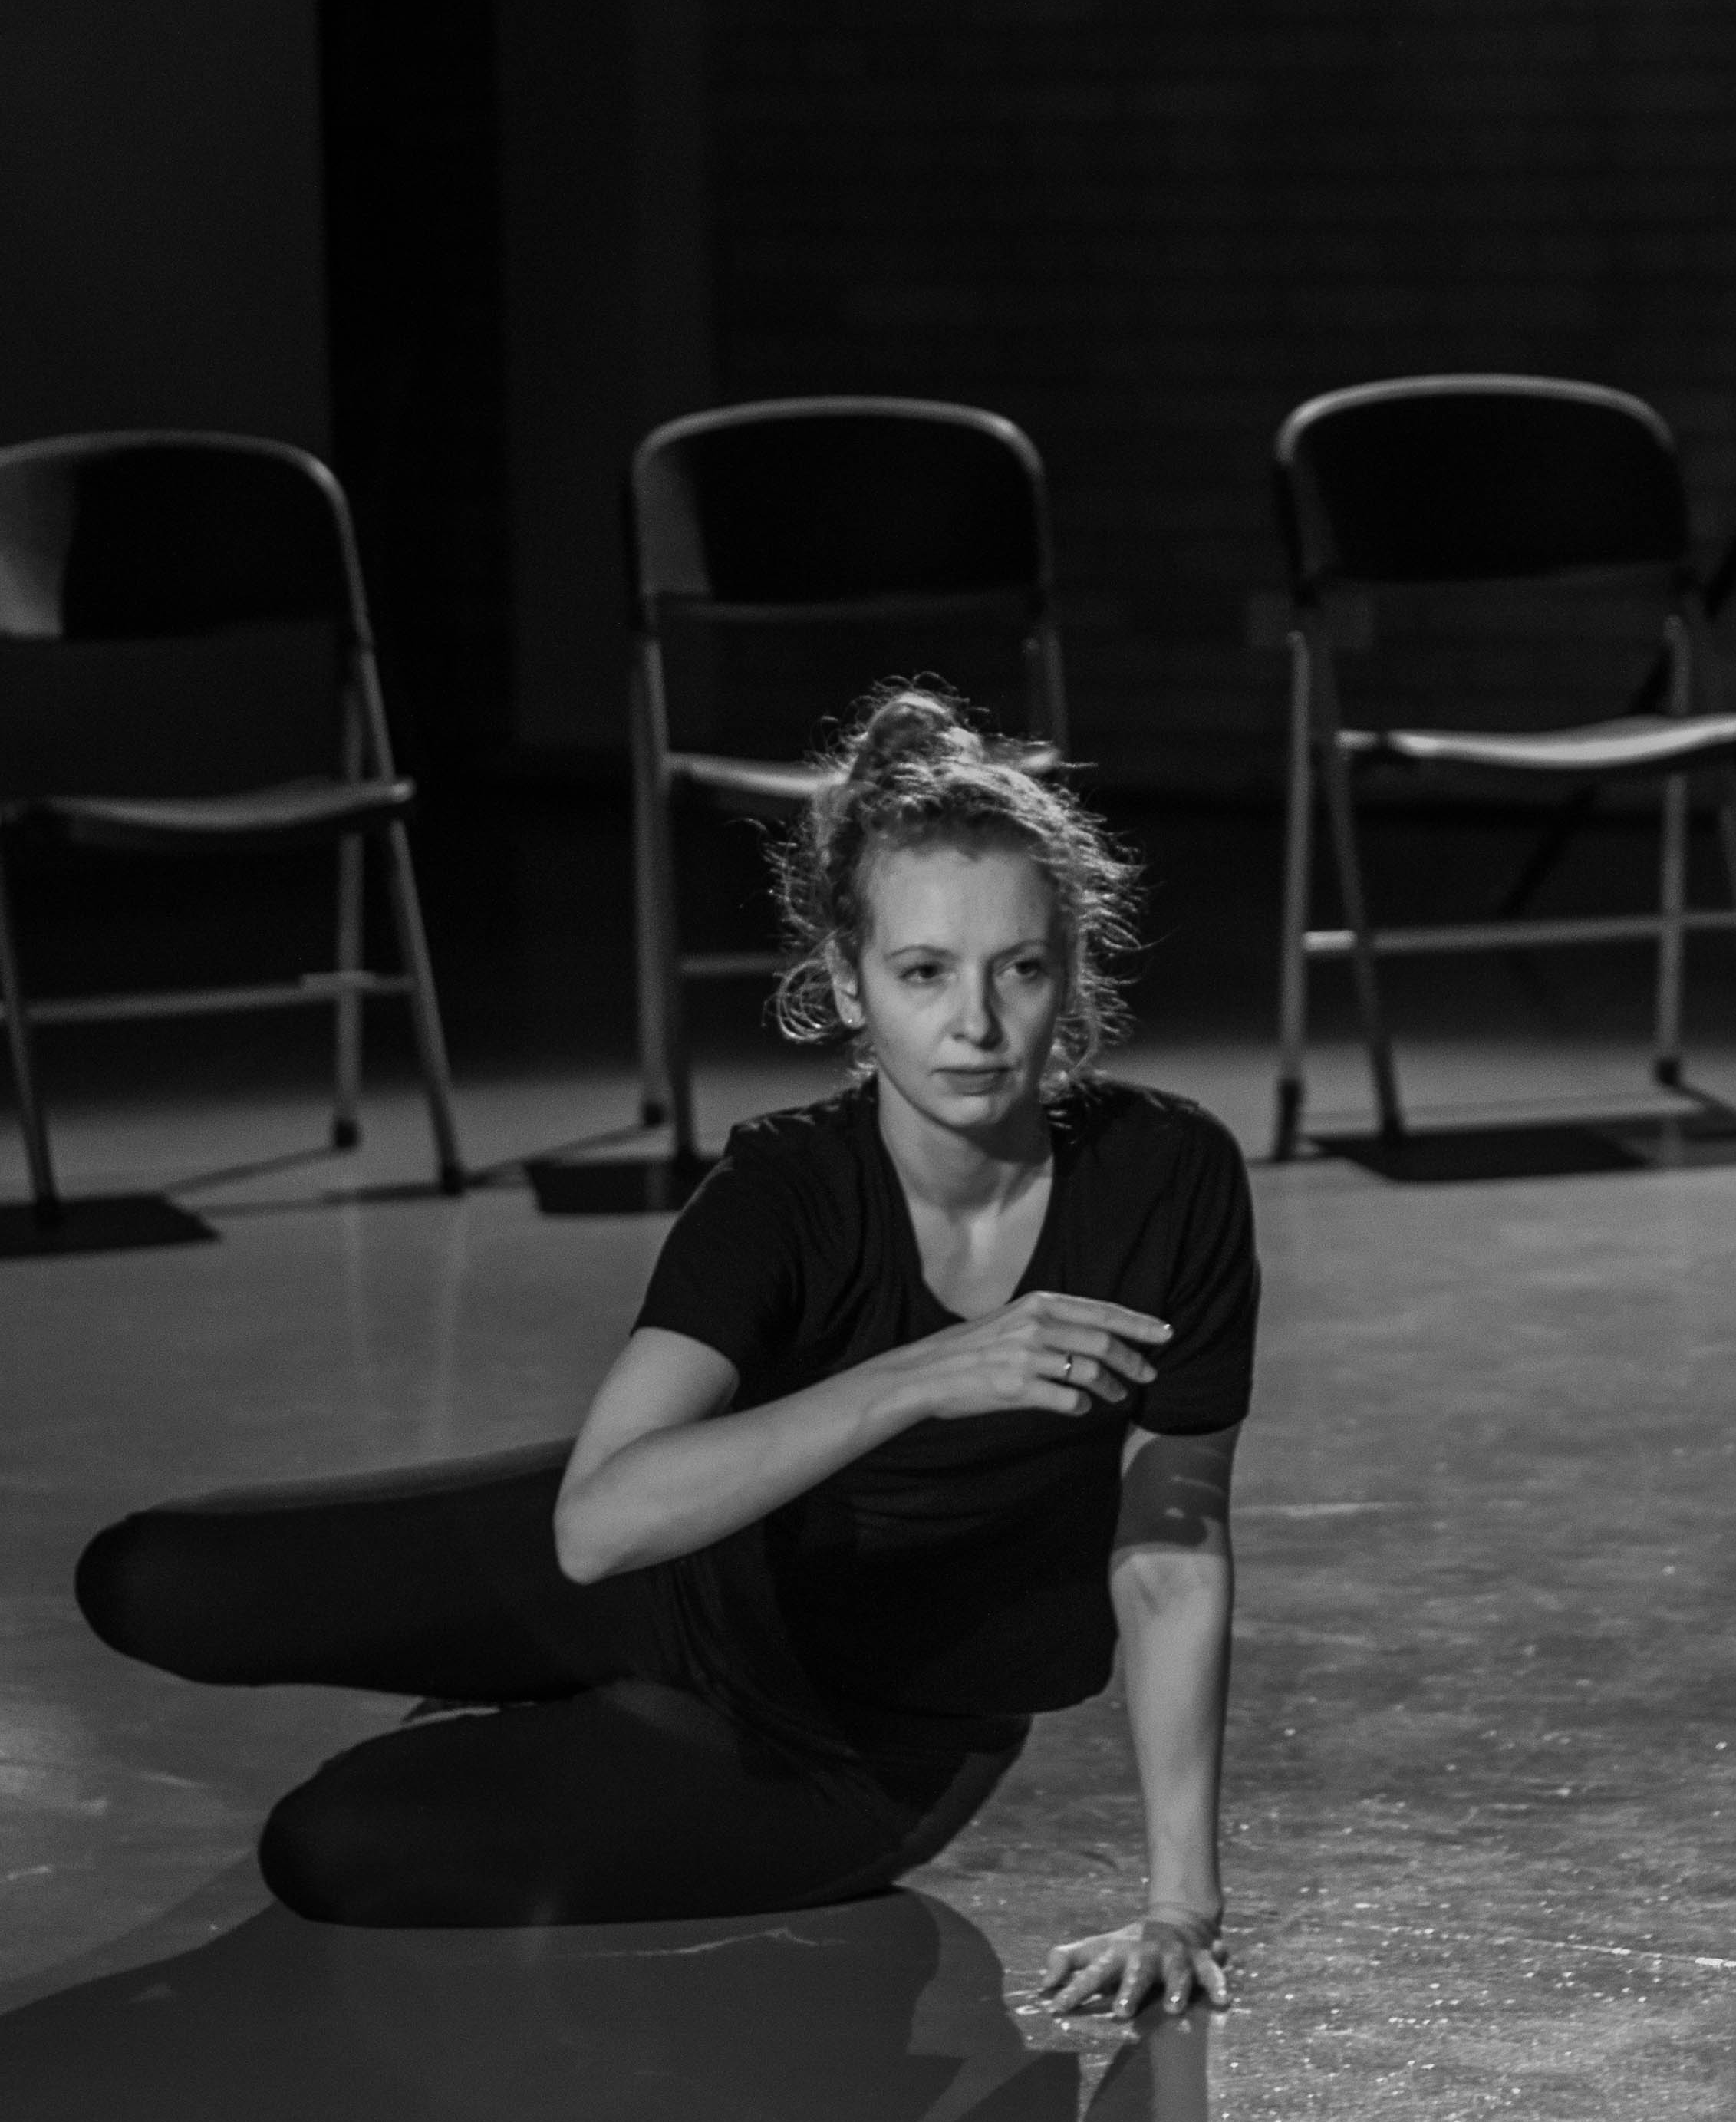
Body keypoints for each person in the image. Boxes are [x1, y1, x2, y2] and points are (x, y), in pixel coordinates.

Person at [74, 687, 1258, 2015]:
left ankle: (565, 1731)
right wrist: (924, 1374)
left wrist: (1181, 1905)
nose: (975, 1024)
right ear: (850, 982)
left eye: (1019, 967)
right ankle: (568, 1695)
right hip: (672, 1575)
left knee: (332, 1845)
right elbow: (598, 1526)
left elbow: (1173, 1549)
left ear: (1071, 973)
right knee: (150, 1578)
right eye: (925, 970)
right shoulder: (783, 1188)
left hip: (848, 1749)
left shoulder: (1169, 1178)